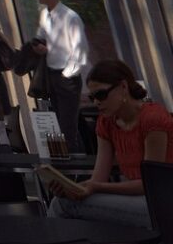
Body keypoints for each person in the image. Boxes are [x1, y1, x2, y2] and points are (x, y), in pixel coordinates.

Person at [41, 59, 172, 219]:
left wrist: (95, 187)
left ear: (123, 87)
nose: (97, 102)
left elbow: (150, 185)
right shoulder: (106, 123)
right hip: (141, 200)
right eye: (93, 97)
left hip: (163, 201)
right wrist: (75, 189)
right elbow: (98, 178)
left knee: (62, 205)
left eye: (101, 95)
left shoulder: (153, 119)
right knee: (62, 200)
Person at [34, 0, 91, 150]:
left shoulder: (70, 17)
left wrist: (66, 76)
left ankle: (78, 167)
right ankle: (72, 161)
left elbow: (80, 51)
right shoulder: (45, 15)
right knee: (59, 124)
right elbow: (41, 36)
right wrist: (39, 46)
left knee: (67, 126)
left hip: (66, 76)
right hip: (52, 74)